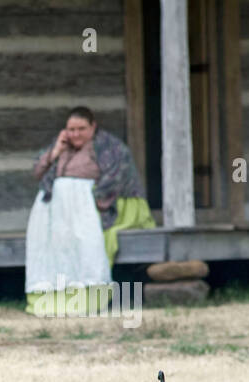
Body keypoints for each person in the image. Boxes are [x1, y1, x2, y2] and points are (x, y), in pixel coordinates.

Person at [25, 106, 154, 315]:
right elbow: (38, 172)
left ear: (93, 126)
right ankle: (52, 297)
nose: (75, 134)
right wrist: (56, 151)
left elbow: (116, 178)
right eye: (71, 129)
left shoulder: (109, 147)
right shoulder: (61, 147)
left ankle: (87, 298)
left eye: (81, 129)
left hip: (91, 208)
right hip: (59, 214)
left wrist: (89, 202)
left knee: (85, 242)